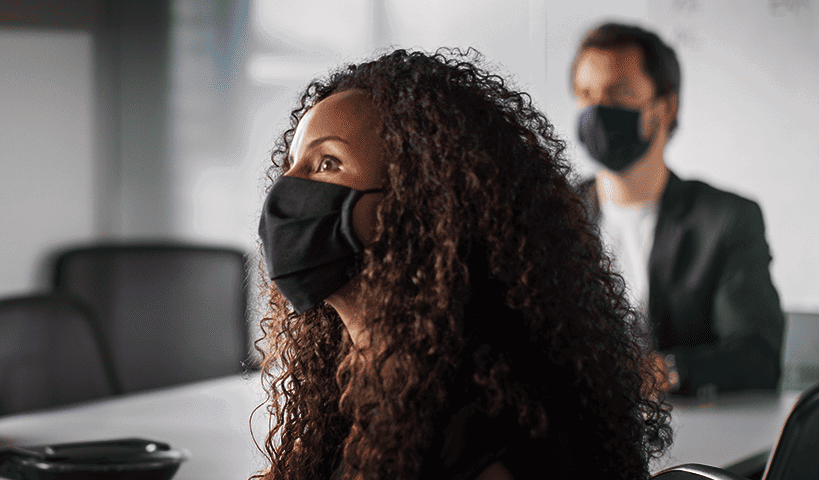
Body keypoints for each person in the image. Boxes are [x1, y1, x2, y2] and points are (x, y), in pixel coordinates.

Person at [255, 48, 671, 480]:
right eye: (291, 165)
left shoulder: (481, 432)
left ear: (423, 206)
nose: (286, 190)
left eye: (327, 164)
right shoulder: (352, 388)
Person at [569, 22, 786, 397]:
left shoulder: (726, 220)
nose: (597, 110)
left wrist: (662, 372)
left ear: (665, 107)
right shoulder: (553, 213)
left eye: (618, 94)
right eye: (585, 94)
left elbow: (757, 357)